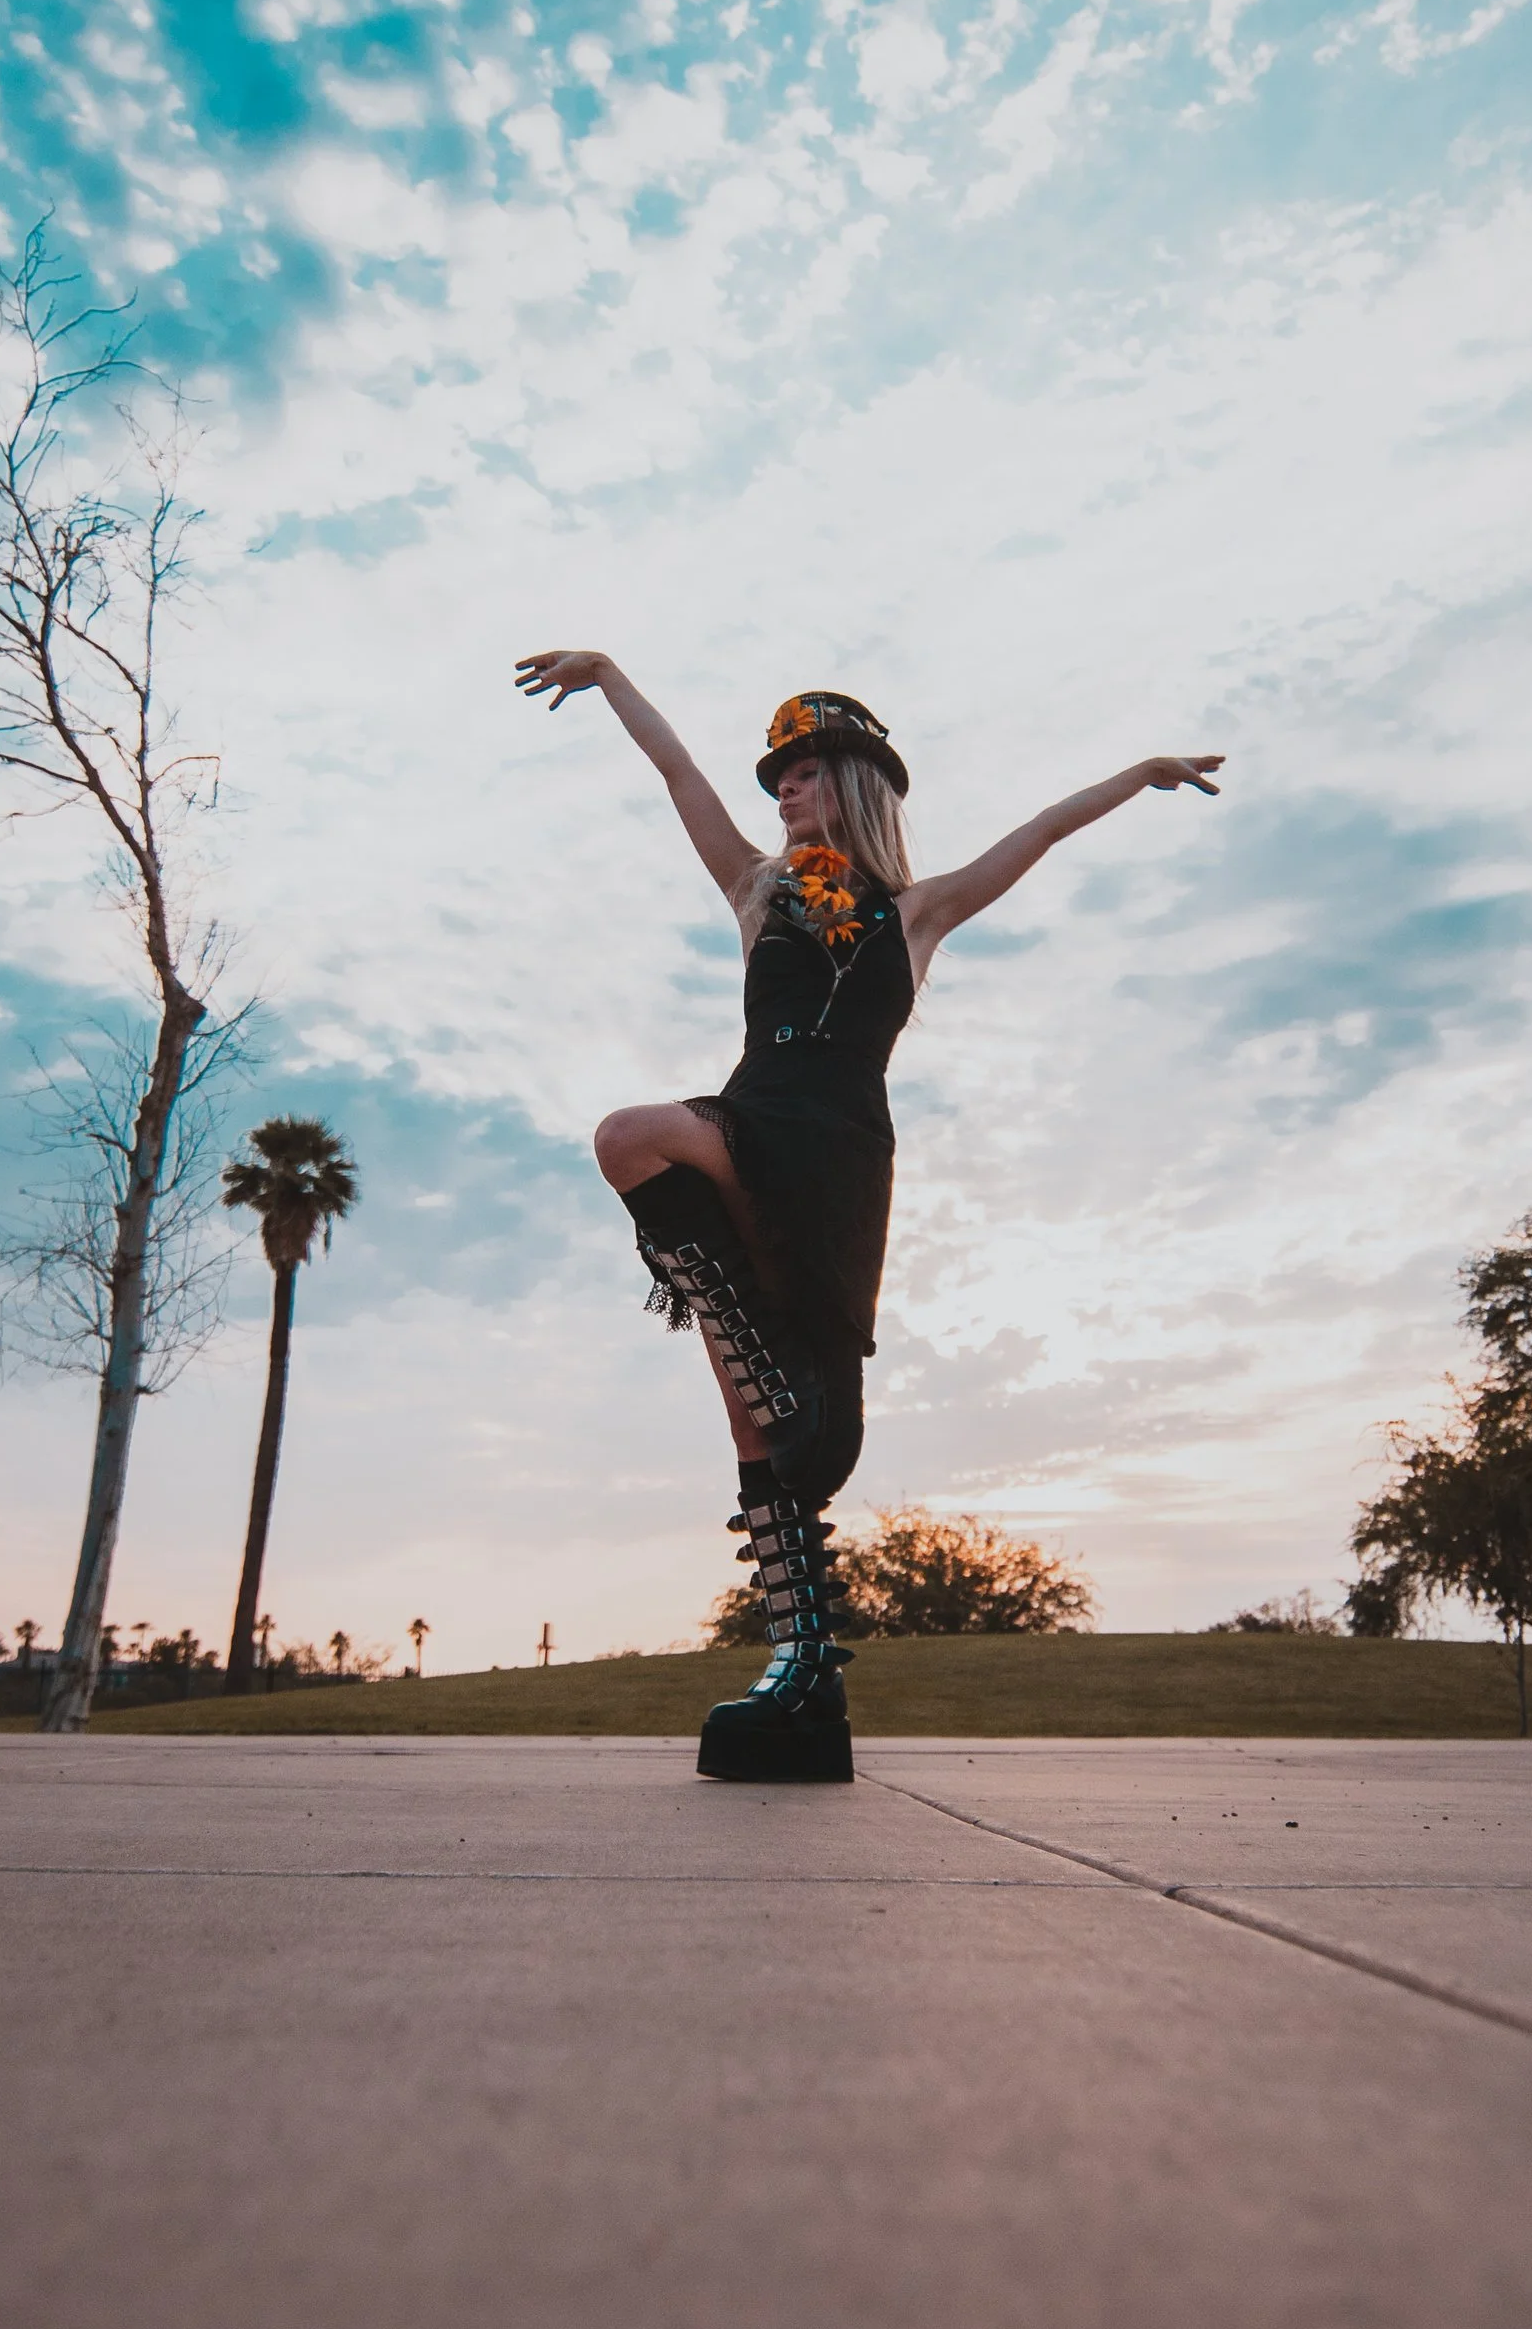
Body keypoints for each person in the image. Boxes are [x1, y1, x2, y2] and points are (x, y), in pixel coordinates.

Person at [512, 650, 1224, 1780]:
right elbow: (678, 775)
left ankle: (806, 1678)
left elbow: (1037, 832)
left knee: (787, 1435)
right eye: (777, 776)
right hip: (750, 1122)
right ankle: (793, 1634)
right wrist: (607, 674)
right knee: (628, 1140)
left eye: (800, 772)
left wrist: (1140, 771)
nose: (781, 791)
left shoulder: (915, 909)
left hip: (837, 1158)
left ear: (850, 782)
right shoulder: (758, 889)